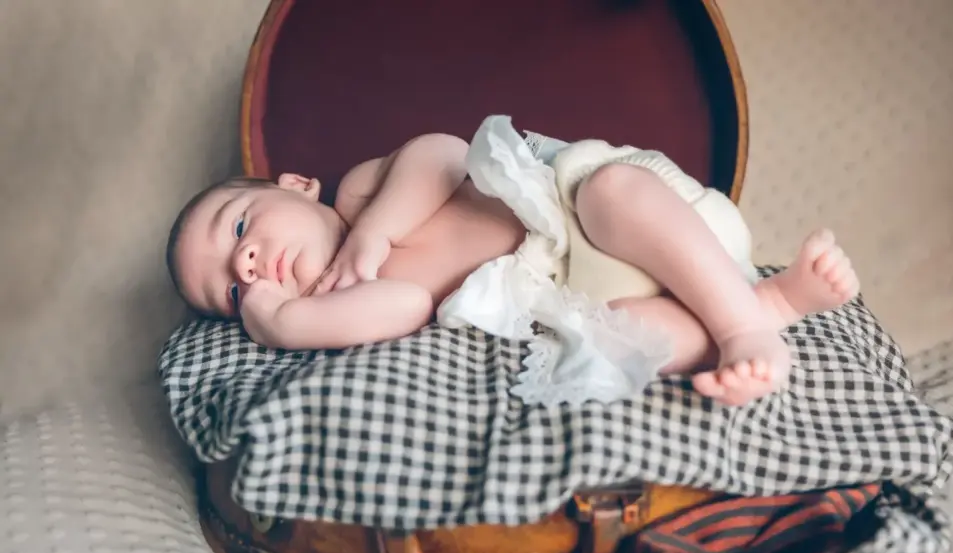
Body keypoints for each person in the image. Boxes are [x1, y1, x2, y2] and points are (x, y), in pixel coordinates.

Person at [167, 117, 859, 407]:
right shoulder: (337, 304)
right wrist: (285, 323)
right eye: (230, 290)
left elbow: (441, 154)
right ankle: (770, 306)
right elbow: (405, 306)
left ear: (294, 186)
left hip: (603, 220)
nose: (248, 265)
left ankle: (740, 323)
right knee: (615, 337)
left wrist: (375, 229)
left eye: (239, 227)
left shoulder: (357, 193)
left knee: (610, 193)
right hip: (574, 291)